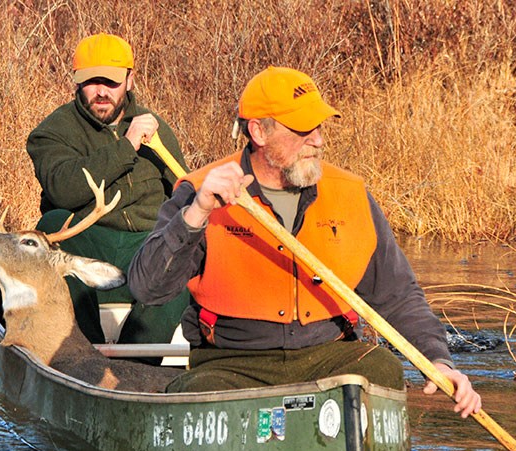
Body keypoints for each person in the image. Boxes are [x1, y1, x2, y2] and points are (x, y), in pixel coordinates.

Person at [128, 66, 481, 417]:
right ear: (258, 132)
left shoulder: (351, 195)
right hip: (231, 363)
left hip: (329, 356)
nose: (318, 139)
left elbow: (398, 294)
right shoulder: (201, 191)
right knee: (200, 396)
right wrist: (197, 212)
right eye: (302, 129)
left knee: (382, 371)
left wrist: (439, 360)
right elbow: (147, 288)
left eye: (319, 127)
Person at [27, 33, 189, 346]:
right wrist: (127, 146)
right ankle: (82, 349)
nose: (101, 92)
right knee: (50, 225)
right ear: (76, 82)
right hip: (90, 241)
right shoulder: (52, 132)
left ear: (130, 80)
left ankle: (141, 355)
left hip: (144, 245)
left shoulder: (156, 129)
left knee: (192, 244)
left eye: (111, 82)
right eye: (92, 82)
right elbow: (64, 190)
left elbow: (182, 196)